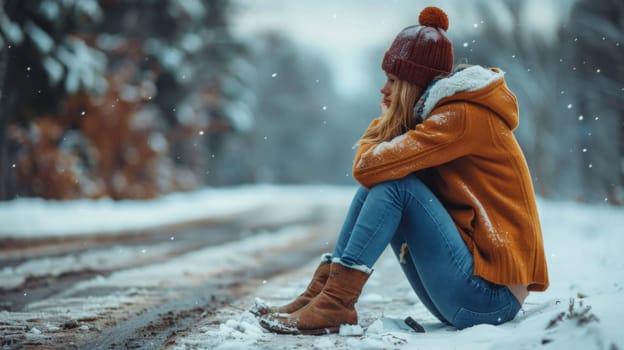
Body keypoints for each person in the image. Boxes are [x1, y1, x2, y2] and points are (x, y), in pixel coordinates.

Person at [255, 6, 549, 335]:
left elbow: (366, 166)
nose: (384, 89)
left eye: (393, 80)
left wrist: (384, 123)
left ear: (414, 84)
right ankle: (322, 296)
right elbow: (372, 172)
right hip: (474, 294)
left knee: (394, 187)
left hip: (491, 301)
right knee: (383, 184)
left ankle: (334, 303)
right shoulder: (444, 117)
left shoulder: (461, 117)